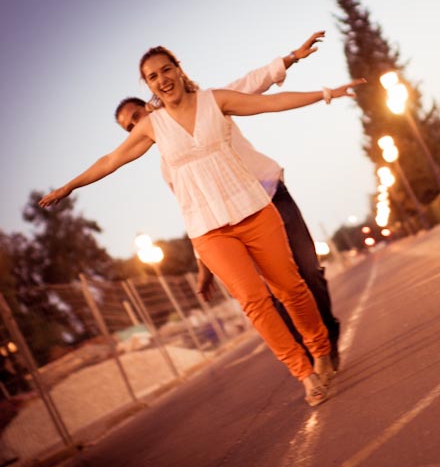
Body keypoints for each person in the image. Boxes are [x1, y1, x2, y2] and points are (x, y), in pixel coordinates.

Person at [40, 46, 365, 407]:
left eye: (166, 70)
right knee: (254, 302)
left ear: (179, 70)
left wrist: (325, 93)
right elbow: (112, 160)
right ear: (148, 85)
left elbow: (272, 103)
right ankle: (304, 373)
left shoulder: (215, 100)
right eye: (153, 76)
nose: (162, 79)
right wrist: (70, 185)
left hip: (254, 209)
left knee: (290, 287)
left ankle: (321, 350)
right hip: (210, 231)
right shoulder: (153, 127)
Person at [114, 31, 343, 370]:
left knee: (307, 271)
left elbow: (255, 84)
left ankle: (327, 338)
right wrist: (203, 268)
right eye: (130, 126)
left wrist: (293, 57)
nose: (138, 123)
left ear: (152, 100)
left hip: (268, 194)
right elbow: (195, 213)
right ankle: (310, 352)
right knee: (270, 292)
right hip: (234, 221)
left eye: (138, 113)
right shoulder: (170, 164)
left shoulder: (207, 104)